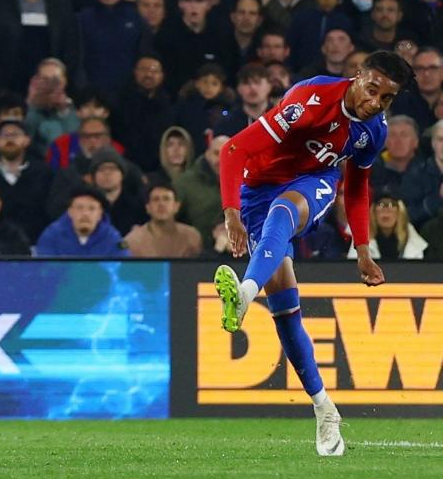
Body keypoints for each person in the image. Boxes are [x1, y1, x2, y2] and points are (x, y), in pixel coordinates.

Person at [213, 50, 414, 457]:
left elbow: (356, 190)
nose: (376, 103)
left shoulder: (373, 131)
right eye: (372, 90)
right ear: (358, 76)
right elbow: (233, 151)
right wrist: (232, 214)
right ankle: (326, 410)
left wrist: (362, 250)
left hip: (314, 182)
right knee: (287, 312)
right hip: (255, 191)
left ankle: (245, 294)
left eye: (387, 99)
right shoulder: (310, 101)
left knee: (283, 213)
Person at [0, 118, 52, 242]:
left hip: (36, 241)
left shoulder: (45, 173)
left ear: (26, 140)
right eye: (4, 135)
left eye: (15, 135)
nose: (10, 139)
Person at [35, 185, 125, 258]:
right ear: (70, 212)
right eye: (79, 208)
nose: (85, 213)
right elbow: (44, 270)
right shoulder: (51, 235)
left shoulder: (113, 237)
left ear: (100, 214)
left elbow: (123, 268)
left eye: (92, 209)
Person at [123, 182, 203, 258]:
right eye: (155, 199)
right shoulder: (133, 241)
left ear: (176, 206)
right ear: (148, 208)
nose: (161, 204)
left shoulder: (192, 237)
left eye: (166, 199)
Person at [347, 188, 426, 260]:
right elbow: (352, 271)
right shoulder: (360, 239)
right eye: (381, 204)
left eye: (392, 204)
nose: (386, 210)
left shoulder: (412, 241)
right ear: (373, 211)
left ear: (400, 211)